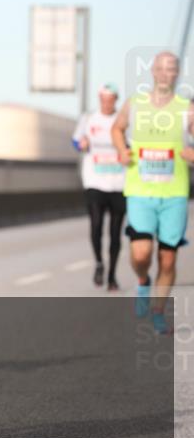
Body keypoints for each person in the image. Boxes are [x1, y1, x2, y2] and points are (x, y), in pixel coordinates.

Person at [111, 51, 194, 335]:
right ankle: (143, 280)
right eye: (161, 67)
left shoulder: (187, 108)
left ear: (176, 73)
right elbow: (117, 129)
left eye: (172, 68)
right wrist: (122, 149)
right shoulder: (135, 105)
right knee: (142, 251)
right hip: (140, 190)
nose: (166, 73)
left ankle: (158, 313)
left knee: (168, 258)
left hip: (174, 194)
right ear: (154, 72)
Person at [71, 83, 127, 290]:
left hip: (119, 182)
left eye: (110, 99)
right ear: (99, 99)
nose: (106, 103)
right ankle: (99, 263)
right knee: (95, 226)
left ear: (116, 100)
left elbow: (131, 146)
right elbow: (75, 141)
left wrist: (126, 153)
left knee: (115, 233)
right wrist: (81, 145)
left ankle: (112, 275)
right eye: (103, 99)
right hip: (94, 181)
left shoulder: (123, 121)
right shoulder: (88, 119)